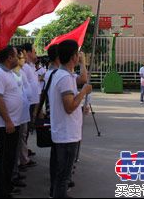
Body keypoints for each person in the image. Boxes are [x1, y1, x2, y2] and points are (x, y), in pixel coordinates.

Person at [48, 40, 92, 198]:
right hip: (66, 135)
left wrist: (83, 63)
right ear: (73, 56)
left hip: (65, 133)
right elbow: (69, 107)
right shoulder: (65, 78)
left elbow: (82, 79)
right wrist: (83, 93)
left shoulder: (64, 75)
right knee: (63, 177)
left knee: (62, 176)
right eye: (77, 54)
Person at [0, 46, 23, 198]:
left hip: (12, 123)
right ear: (10, 58)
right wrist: (8, 120)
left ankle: (7, 187)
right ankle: (1, 192)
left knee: (9, 158)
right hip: (4, 125)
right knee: (3, 160)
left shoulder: (7, 72)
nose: (19, 58)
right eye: (17, 55)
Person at [11, 47, 33, 187]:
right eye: (20, 57)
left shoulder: (22, 72)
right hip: (14, 116)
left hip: (24, 112)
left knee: (21, 140)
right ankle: (13, 173)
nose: (22, 59)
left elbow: (27, 90)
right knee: (13, 146)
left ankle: (16, 168)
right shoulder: (10, 74)